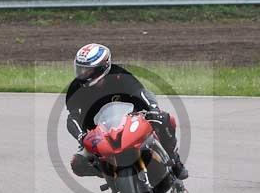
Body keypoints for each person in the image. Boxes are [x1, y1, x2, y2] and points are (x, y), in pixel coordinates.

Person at [65, 43, 188, 180]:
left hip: (131, 121)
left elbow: (141, 93)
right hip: (99, 134)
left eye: (88, 70)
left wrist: (153, 109)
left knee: (166, 119)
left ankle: (175, 160)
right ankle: (111, 176)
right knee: (77, 163)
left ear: (102, 68)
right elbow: (73, 118)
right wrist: (81, 136)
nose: (83, 74)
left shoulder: (119, 75)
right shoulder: (75, 89)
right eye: (80, 69)